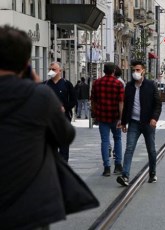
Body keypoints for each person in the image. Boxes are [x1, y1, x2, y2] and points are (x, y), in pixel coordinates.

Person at [0, 25, 97, 230]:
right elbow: (66, 135)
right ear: (26, 64)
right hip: (29, 207)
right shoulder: (40, 95)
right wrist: (36, 85)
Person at [117, 60, 162, 186]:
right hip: (134, 123)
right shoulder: (129, 87)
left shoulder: (150, 85)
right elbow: (126, 106)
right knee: (129, 148)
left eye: (137, 70)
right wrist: (124, 122)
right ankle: (125, 176)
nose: (135, 72)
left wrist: (154, 118)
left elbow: (157, 104)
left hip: (148, 122)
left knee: (151, 150)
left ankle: (152, 173)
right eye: (133, 70)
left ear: (143, 71)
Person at [91, 62, 124, 176]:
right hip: (115, 117)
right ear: (114, 71)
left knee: (105, 141)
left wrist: (95, 114)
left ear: (104, 71)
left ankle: (107, 168)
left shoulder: (96, 83)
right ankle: (118, 165)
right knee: (117, 139)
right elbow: (121, 102)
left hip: (102, 117)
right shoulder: (118, 84)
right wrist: (121, 118)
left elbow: (93, 100)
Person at [45, 61, 77, 162]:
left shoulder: (67, 84)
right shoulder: (45, 84)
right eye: (50, 69)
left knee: (64, 146)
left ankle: (63, 167)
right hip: (49, 120)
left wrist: (65, 108)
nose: (51, 71)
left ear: (60, 71)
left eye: (53, 69)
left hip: (64, 119)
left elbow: (73, 100)